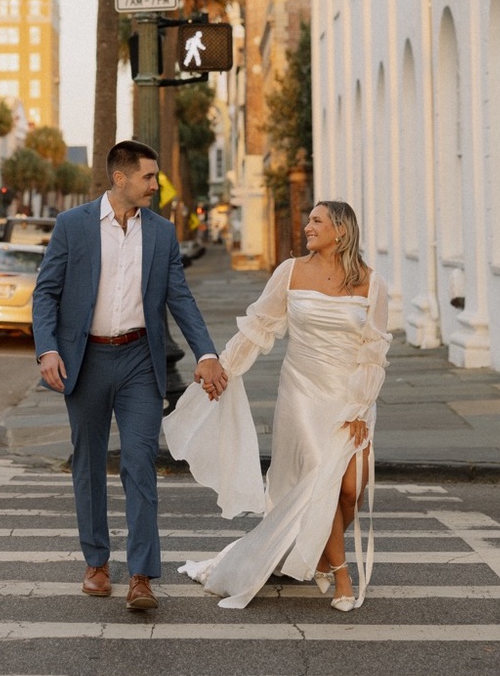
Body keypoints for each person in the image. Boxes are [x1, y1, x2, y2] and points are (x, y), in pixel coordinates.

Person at [163, 200, 391, 610]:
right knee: (322, 474)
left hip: (351, 395)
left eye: (317, 220)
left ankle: (320, 545)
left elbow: (374, 352)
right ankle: (341, 576)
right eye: (308, 219)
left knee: (351, 490)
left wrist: (359, 406)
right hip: (302, 392)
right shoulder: (290, 272)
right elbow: (259, 326)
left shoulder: (371, 283)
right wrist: (224, 367)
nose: (307, 226)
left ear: (341, 230)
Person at [32, 140, 228, 612]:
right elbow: (45, 293)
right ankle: (97, 563)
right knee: (89, 461)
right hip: (87, 360)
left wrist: (206, 353)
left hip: (141, 359)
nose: (154, 186)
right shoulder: (73, 226)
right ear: (119, 179)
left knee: (140, 462)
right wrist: (48, 349)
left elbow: (180, 298)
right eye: (147, 177)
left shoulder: (161, 234)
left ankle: (141, 575)